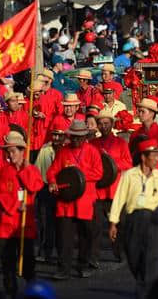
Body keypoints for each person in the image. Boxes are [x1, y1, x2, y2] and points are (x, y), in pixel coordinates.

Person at [108, 139, 158, 299]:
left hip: (153, 220)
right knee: (134, 257)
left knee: (151, 258)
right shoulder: (129, 175)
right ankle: (144, 283)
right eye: (153, 156)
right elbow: (120, 198)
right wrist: (114, 222)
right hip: (133, 220)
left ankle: (145, 292)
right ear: (143, 157)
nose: (157, 159)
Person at [46, 120, 103, 280]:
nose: (76, 140)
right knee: (64, 236)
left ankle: (83, 264)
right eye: (74, 137)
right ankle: (63, 268)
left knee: (85, 234)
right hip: (66, 201)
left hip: (85, 200)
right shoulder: (63, 151)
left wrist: (80, 174)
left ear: (85, 136)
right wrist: (52, 182)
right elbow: (52, 171)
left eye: (80, 137)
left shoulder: (92, 151)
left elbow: (99, 173)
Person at [0, 131, 44, 299]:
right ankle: (9, 291)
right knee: (7, 263)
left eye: (14, 151)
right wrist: (16, 205)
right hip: (6, 224)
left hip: (24, 225)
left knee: (28, 262)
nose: (11, 154)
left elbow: (35, 187)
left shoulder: (32, 169)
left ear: (23, 151)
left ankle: (32, 291)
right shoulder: (4, 171)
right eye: (8, 151)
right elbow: (0, 194)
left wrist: (26, 169)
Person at [89, 109, 132, 266]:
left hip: (115, 190)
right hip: (98, 190)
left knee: (119, 224)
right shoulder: (92, 143)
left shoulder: (120, 143)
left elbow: (128, 163)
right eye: (100, 123)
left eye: (106, 123)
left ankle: (119, 252)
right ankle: (93, 257)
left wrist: (112, 162)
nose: (103, 126)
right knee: (96, 226)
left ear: (112, 124)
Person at [34, 117, 67, 264]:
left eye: (59, 135)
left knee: (62, 225)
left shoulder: (68, 150)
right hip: (46, 190)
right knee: (45, 223)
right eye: (54, 134)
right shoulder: (45, 149)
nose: (56, 138)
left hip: (63, 192)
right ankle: (45, 251)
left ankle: (62, 254)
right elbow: (37, 170)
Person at [130, 98, 158, 173]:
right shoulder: (135, 134)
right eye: (139, 111)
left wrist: (146, 148)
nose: (139, 114)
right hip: (140, 171)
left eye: (143, 111)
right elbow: (131, 152)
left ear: (152, 113)